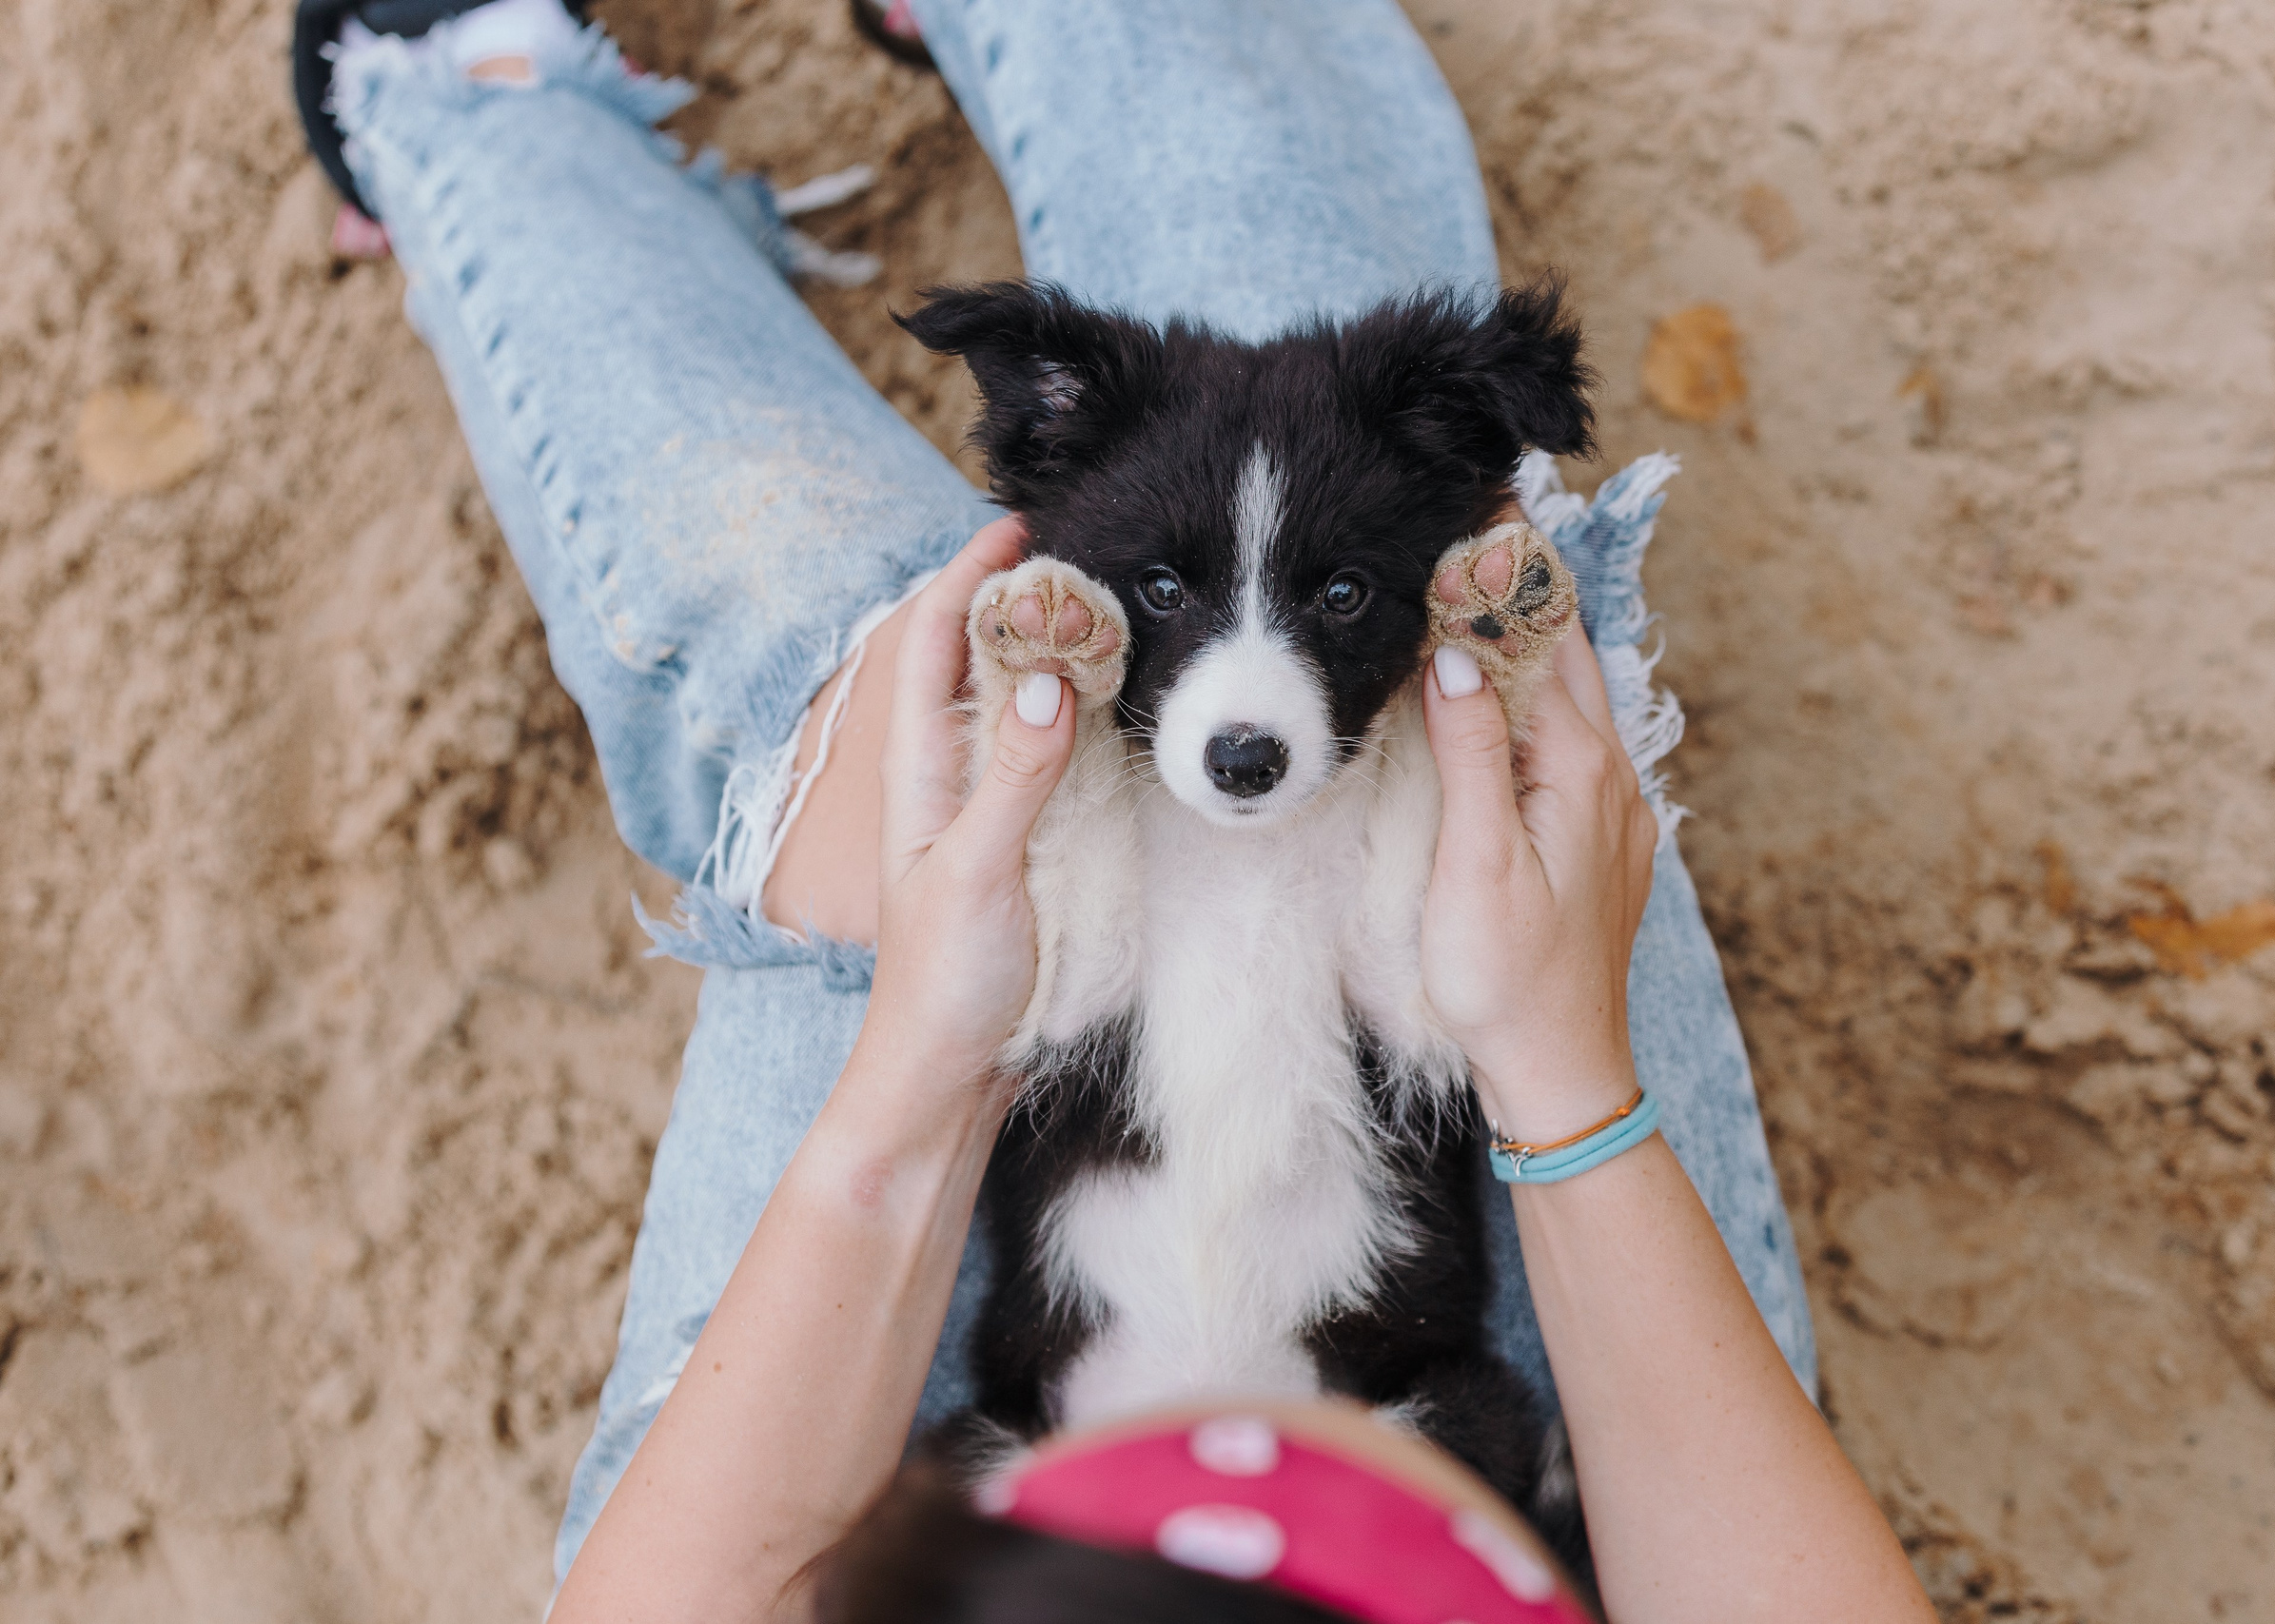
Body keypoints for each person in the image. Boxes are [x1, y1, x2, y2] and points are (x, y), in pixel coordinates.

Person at [294, 1, 1932, 1617]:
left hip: (1004, 1447)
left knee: (858, 668)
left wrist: (927, 1045)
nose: (1245, 699)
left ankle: (473, 96)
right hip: (1482, 1451)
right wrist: (1566, 1080)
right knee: (1404, 522)